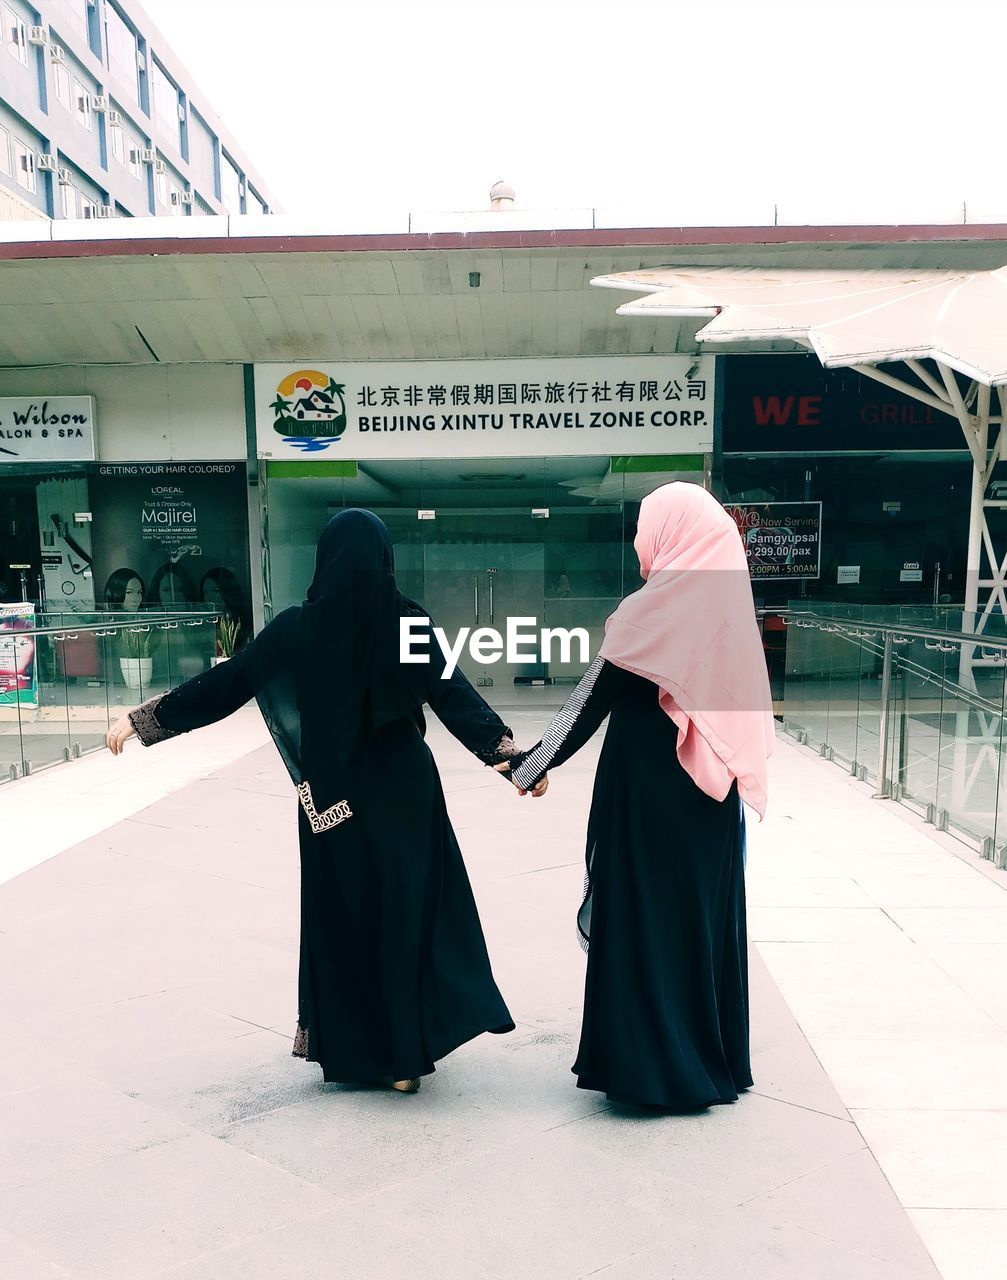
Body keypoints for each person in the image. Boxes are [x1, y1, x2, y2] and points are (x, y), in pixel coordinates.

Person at [106, 509, 516, 1093]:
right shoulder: (407, 622)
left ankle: (360, 1051)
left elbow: (229, 684)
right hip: (404, 796)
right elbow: (454, 694)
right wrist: (511, 760)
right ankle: (405, 1058)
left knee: (345, 918)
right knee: (403, 916)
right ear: (383, 559)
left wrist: (146, 719)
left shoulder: (301, 627)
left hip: (332, 803)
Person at [499, 483, 774, 1111]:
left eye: (646, 528)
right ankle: (713, 1060)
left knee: (648, 926)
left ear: (672, 536)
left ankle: (654, 1070)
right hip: (710, 807)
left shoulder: (651, 613)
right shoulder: (732, 616)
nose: (638, 542)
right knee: (697, 930)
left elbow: (587, 704)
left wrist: (525, 767)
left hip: (648, 808)